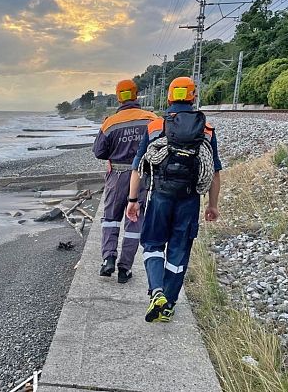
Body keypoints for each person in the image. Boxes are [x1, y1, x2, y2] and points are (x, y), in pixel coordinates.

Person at [126, 76, 222, 322]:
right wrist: (212, 205)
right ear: (193, 97)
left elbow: (138, 168)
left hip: (160, 197)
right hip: (189, 200)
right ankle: (168, 305)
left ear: (169, 97)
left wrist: (132, 200)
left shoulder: (155, 127)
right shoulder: (207, 131)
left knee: (152, 244)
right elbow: (213, 173)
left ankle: (156, 291)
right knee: (178, 252)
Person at [93, 79, 160, 283]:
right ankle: (125, 268)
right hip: (142, 175)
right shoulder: (151, 119)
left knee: (111, 218)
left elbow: (99, 151)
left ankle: (108, 259)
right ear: (136, 94)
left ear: (117, 97)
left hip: (117, 175)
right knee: (134, 221)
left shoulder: (110, 122)